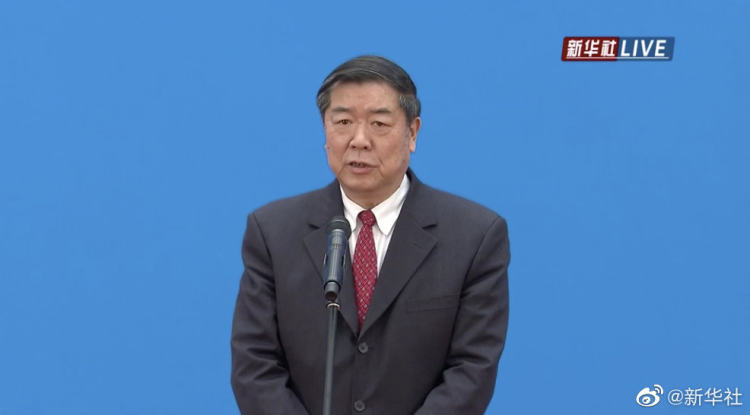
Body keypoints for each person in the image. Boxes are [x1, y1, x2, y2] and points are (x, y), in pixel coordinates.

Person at [231, 55, 510, 415]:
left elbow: (472, 370)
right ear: (325, 130)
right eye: (343, 122)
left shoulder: (474, 236)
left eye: (379, 123)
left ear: (412, 133)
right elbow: (254, 365)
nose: (359, 140)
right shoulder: (273, 231)